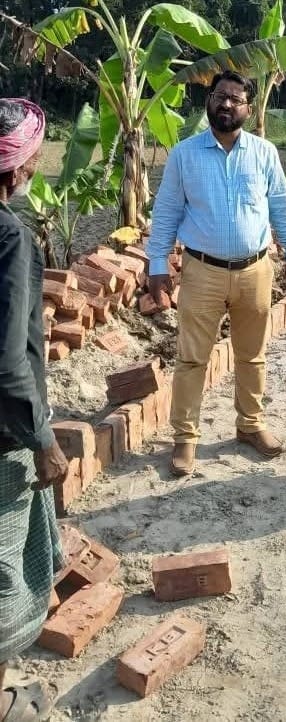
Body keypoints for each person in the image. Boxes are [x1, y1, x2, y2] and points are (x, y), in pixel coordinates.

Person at [147, 71, 286, 476]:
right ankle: (185, 438)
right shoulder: (184, 154)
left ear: (248, 108)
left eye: (236, 99)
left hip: (255, 270)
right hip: (202, 270)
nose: (227, 104)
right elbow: (166, 212)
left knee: (252, 355)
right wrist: (157, 264)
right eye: (220, 96)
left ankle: (250, 424)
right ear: (209, 100)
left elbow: (281, 205)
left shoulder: (264, 153)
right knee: (191, 358)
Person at [0, 98, 70, 721]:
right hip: (4, 436)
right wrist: (43, 438)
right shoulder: (10, 238)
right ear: (17, 168)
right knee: (4, 572)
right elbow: (7, 360)